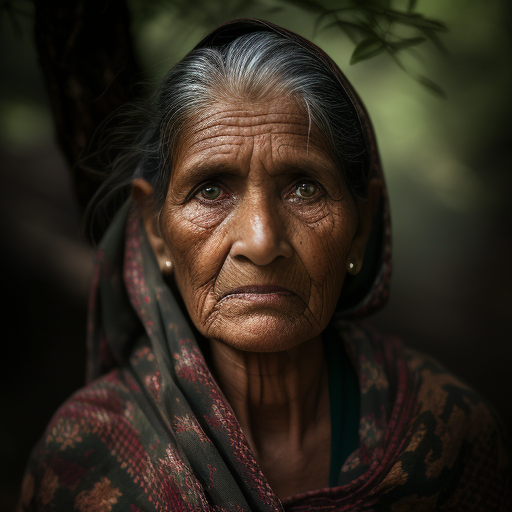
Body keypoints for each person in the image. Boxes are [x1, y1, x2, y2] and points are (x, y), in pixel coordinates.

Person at [18, 19, 510, 511]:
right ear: (155, 229)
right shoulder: (86, 455)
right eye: (211, 189)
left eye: (304, 188)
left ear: (360, 225)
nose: (261, 240)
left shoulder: (449, 433)